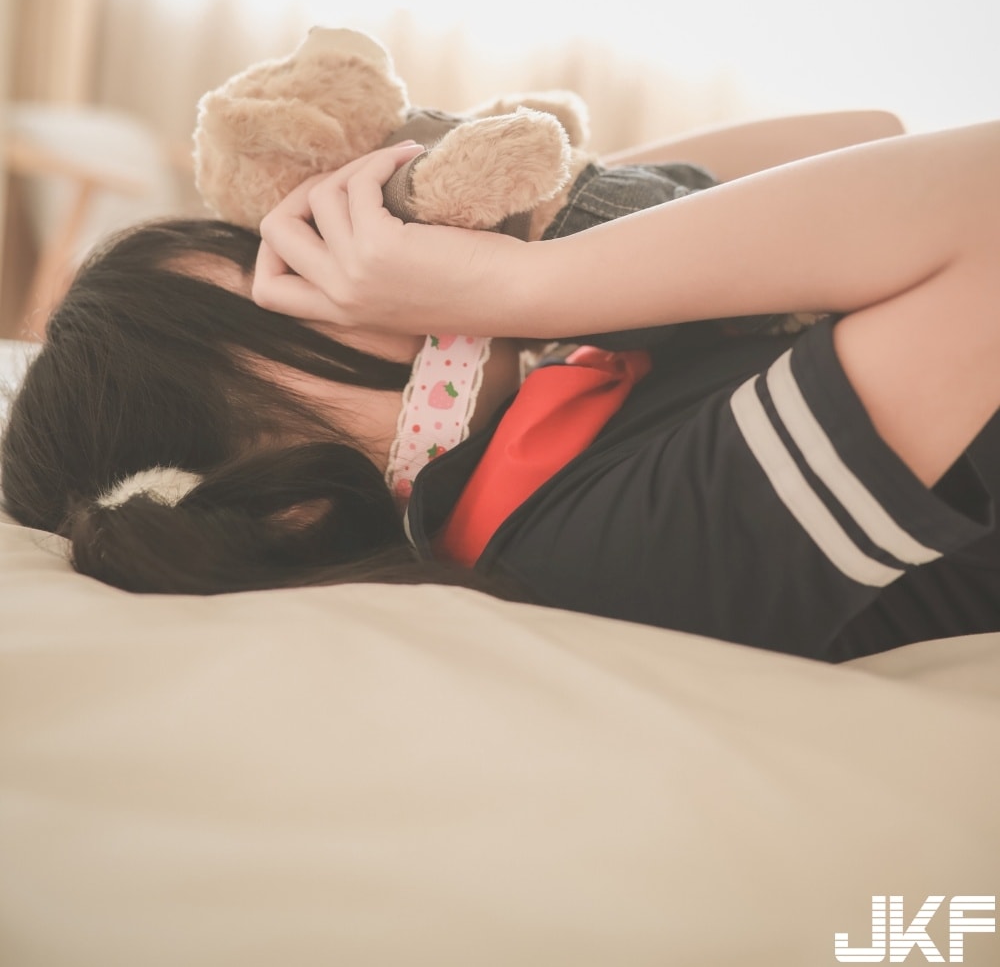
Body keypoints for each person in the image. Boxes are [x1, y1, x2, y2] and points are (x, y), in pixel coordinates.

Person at [2, 108, 998, 662]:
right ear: (292, 505)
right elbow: (979, 201)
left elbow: (863, 131)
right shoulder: (590, 552)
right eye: (294, 300)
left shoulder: (561, 374)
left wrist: (531, 202)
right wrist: (528, 284)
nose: (344, 269)